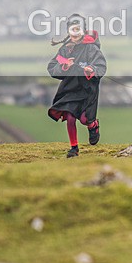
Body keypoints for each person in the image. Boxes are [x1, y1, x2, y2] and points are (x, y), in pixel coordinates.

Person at [47, 13, 107, 158]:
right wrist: (65, 67)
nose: (74, 33)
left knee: (85, 119)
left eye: (77, 29)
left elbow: (101, 66)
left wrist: (91, 70)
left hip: (87, 90)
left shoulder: (92, 49)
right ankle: (74, 148)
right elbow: (52, 67)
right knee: (70, 117)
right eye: (72, 29)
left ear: (83, 31)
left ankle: (93, 126)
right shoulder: (64, 50)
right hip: (70, 89)